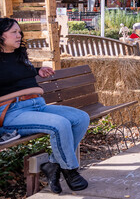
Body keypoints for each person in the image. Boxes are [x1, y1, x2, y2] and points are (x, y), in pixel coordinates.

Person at [0, 18, 89, 194]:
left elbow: (15, 75)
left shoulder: (19, 54)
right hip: (13, 112)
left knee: (81, 118)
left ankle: (53, 165)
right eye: (14, 32)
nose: (19, 35)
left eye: (20, 32)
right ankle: (70, 171)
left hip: (37, 105)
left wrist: (37, 70)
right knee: (59, 125)